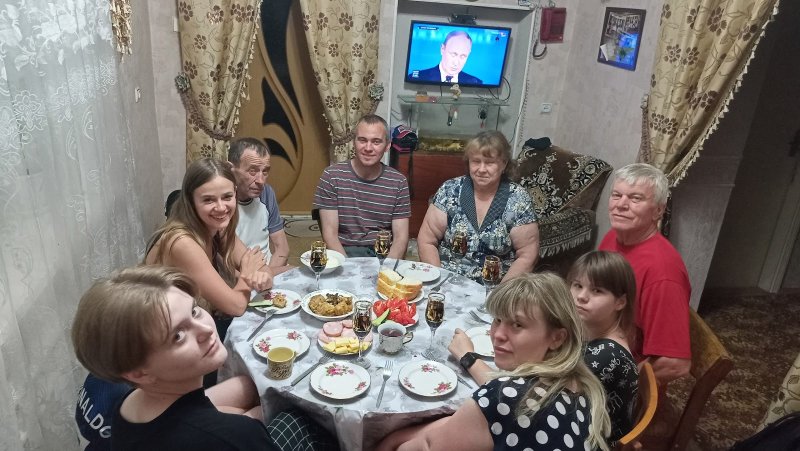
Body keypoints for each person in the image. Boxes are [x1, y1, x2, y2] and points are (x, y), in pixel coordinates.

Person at [378, 273, 611, 451]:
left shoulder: (505, 397)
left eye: (517, 325)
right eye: (498, 319)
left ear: (557, 338)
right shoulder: (582, 386)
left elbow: (429, 446)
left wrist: (387, 440)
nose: (498, 334)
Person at [70, 266, 276, 450]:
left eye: (194, 311)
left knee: (247, 385)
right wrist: (243, 427)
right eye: (178, 336)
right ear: (139, 373)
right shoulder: (238, 436)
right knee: (286, 415)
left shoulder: (127, 406)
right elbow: (232, 435)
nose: (206, 329)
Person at [145, 158, 273, 345]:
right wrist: (248, 274)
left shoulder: (218, 227)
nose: (221, 207)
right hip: (163, 338)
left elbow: (260, 266)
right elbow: (235, 306)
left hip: (192, 321)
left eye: (227, 197)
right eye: (208, 200)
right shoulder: (181, 242)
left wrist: (263, 276)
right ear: (191, 201)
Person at [598, 163, 691, 386]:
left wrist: (620, 386)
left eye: (635, 198)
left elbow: (675, 364)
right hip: (600, 342)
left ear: (658, 210)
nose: (621, 205)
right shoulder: (614, 237)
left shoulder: (662, 272)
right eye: (616, 195)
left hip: (617, 373)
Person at [417, 130, 539, 282]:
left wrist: (502, 293)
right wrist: (439, 281)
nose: (481, 169)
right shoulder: (450, 190)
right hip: (447, 282)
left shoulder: (519, 199)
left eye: (489, 163)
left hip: (496, 286)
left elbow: (527, 255)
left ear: (504, 164)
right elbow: (427, 240)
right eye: (476, 161)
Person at [314, 114, 411, 258]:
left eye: (376, 142)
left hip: (382, 252)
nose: (368, 148)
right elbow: (330, 235)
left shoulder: (398, 182)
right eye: (362, 140)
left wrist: (387, 268)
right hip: (343, 252)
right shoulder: (331, 177)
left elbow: (400, 239)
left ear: (387, 146)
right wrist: (348, 267)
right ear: (354, 142)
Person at [568, 250, 639, 444]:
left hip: (590, 442)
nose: (581, 296)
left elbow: (548, 396)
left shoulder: (607, 355)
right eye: (577, 285)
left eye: (597, 290)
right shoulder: (592, 329)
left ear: (620, 302)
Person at [227, 137, 291, 272]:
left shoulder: (266, 193)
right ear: (230, 169)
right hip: (238, 274)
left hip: (268, 268)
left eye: (265, 171)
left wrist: (268, 275)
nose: (261, 181)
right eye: (252, 171)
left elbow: (282, 248)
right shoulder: (221, 202)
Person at [409, 31, 482, 85]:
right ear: (442, 49)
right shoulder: (419, 77)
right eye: (453, 54)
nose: (456, 63)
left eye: (463, 56)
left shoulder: (476, 82)